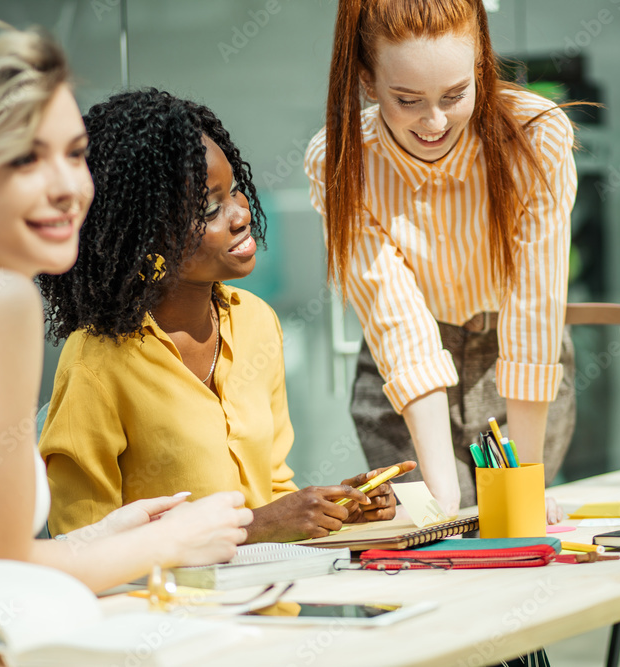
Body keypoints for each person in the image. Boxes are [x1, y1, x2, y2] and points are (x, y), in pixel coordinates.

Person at [0, 21, 251, 599]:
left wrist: (102, 537)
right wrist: (168, 542)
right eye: (25, 160)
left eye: (74, 154)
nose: (68, 187)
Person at [37, 89, 413, 542]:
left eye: (234, 188)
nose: (240, 214)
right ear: (145, 237)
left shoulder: (257, 323)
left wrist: (332, 510)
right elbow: (83, 543)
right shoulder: (96, 361)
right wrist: (262, 525)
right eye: (209, 208)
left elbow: (273, 491)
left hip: (270, 604)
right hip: (172, 611)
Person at [305, 0, 576, 518]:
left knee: (516, 526)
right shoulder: (340, 159)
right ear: (367, 80)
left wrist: (526, 483)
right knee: (429, 539)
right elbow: (397, 324)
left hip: (518, 357)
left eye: (455, 96)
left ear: (479, 67)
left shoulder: (537, 135)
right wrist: (441, 498)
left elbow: (536, 309)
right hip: (402, 374)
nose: (433, 122)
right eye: (407, 100)